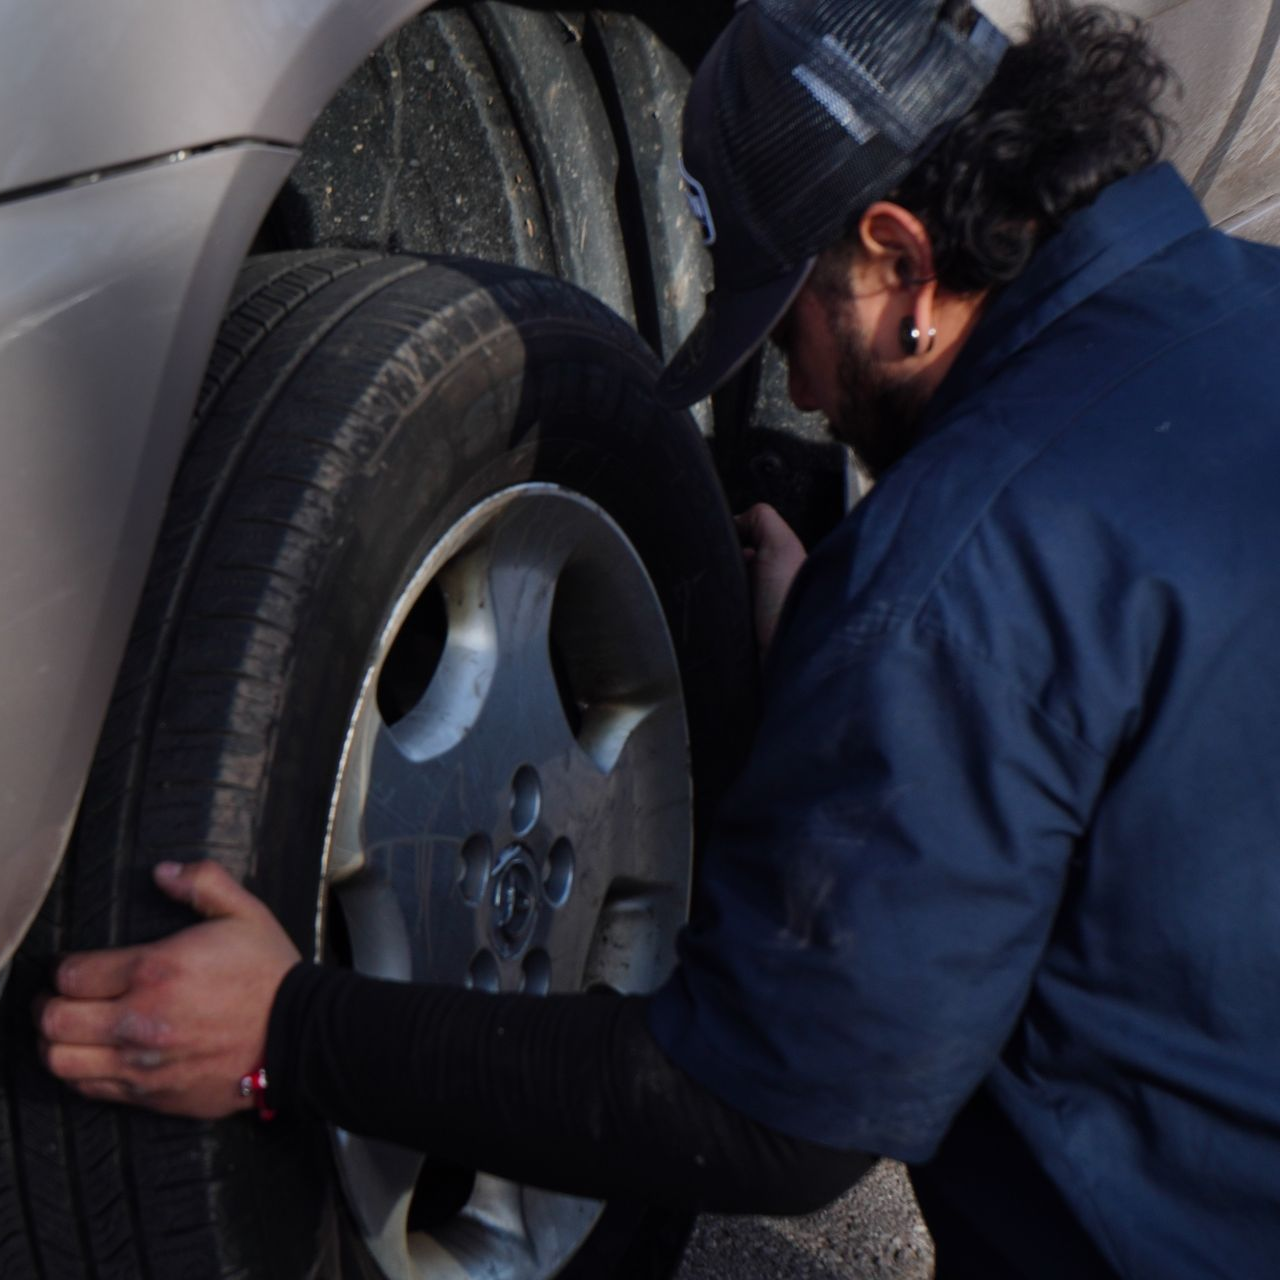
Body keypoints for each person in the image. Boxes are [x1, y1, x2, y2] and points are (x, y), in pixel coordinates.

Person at [34, 1, 1280, 1275]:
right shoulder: (1246, 313)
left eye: (787, 321)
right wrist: (878, 681)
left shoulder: (961, 581)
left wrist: (287, 1029)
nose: (794, 391)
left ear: (902, 261)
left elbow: (766, 1108)